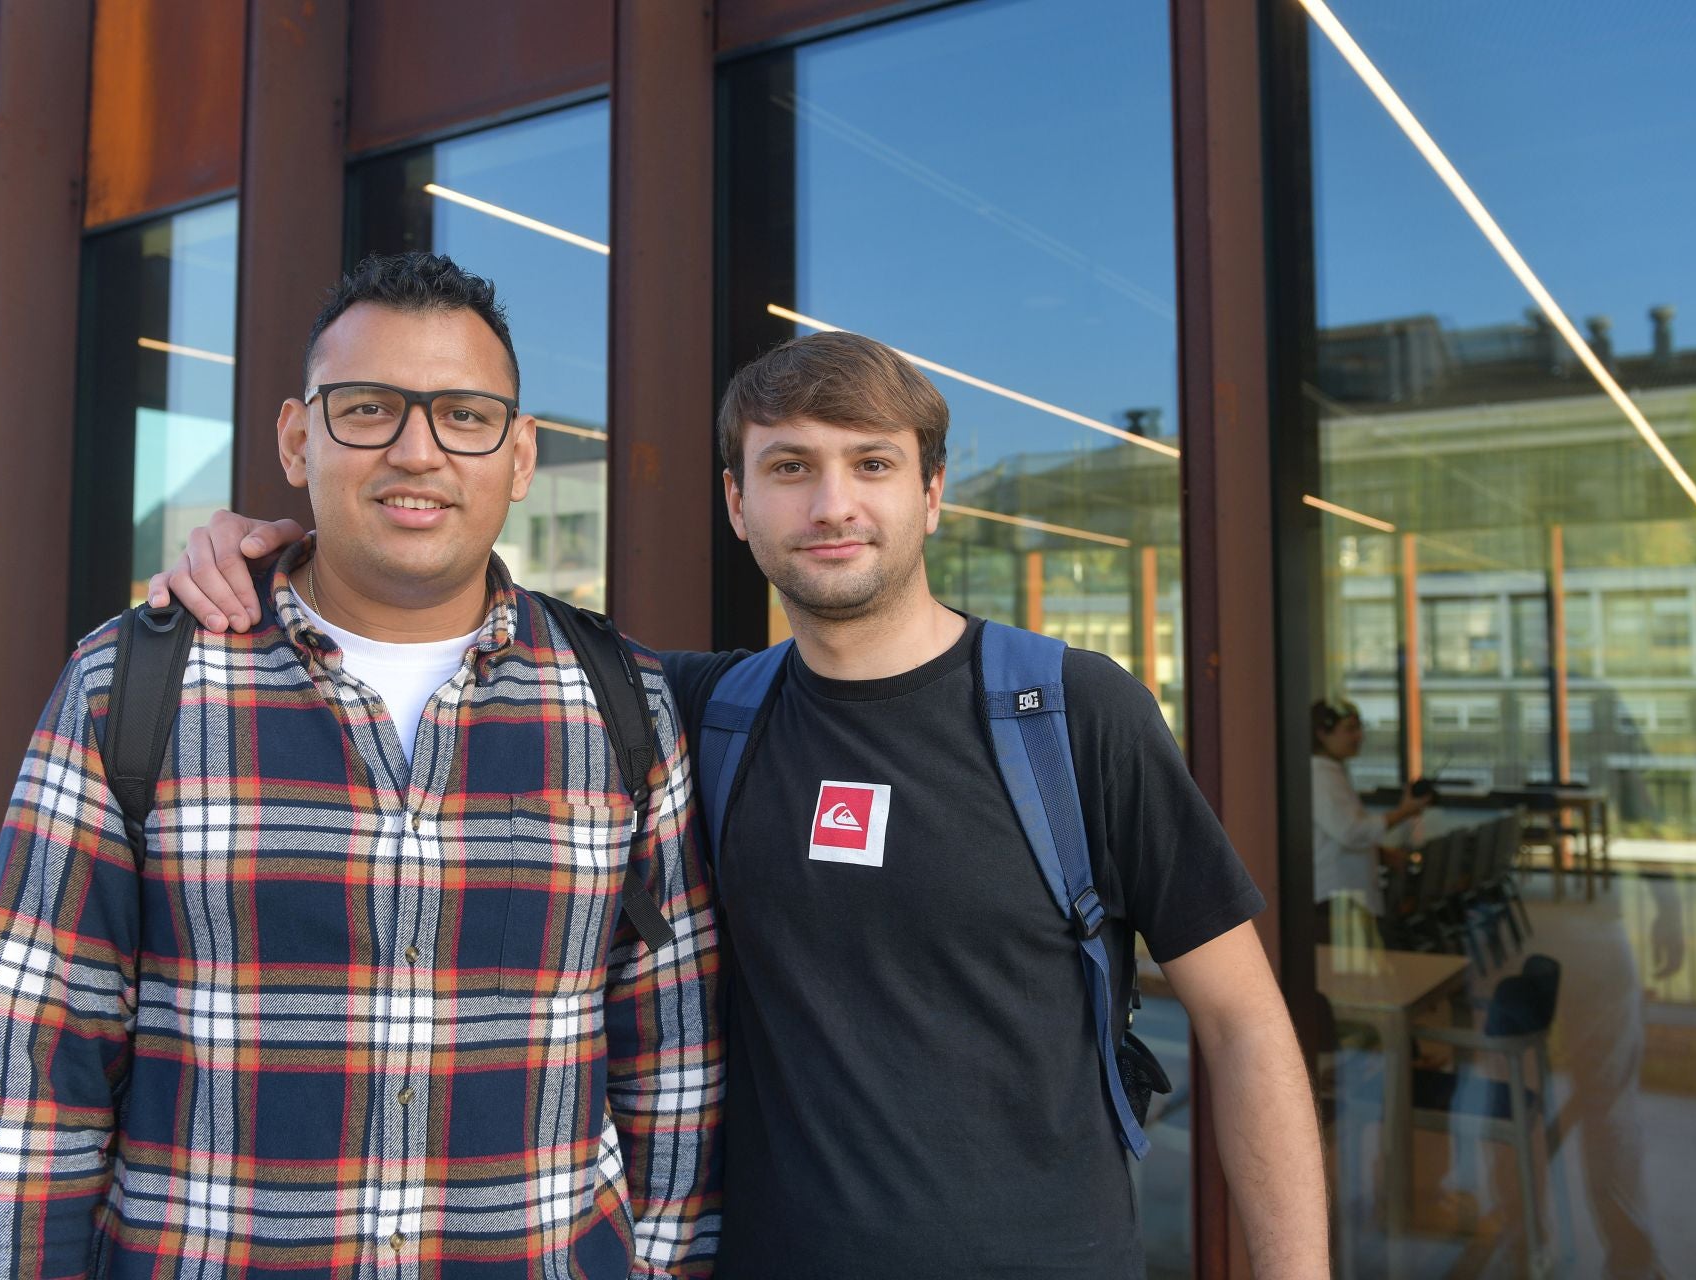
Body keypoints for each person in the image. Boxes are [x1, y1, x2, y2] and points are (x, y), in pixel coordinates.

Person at [155, 330, 1330, 1278]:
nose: (833, 502)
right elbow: (457, 608)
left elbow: (1242, 1025)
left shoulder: (1070, 714)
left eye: (871, 464)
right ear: (736, 502)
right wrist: (280, 547)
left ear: (932, 492)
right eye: (789, 466)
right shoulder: (686, 711)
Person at [0, 253, 721, 1279]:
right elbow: (31, 1061)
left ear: (520, 456)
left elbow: (673, 1051)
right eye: (367, 408)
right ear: (298, 437)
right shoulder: (131, 683)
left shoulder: (625, 703)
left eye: (465, 416)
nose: (416, 450)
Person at [1310, 697, 1428, 944]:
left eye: (1359, 728)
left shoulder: (1331, 772)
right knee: (1347, 978)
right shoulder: (1319, 775)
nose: (1359, 736)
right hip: (1338, 895)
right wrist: (1403, 812)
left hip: (1348, 893)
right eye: (1350, 729)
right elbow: (1351, 832)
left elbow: (1340, 833)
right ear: (1322, 733)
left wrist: (1381, 853)